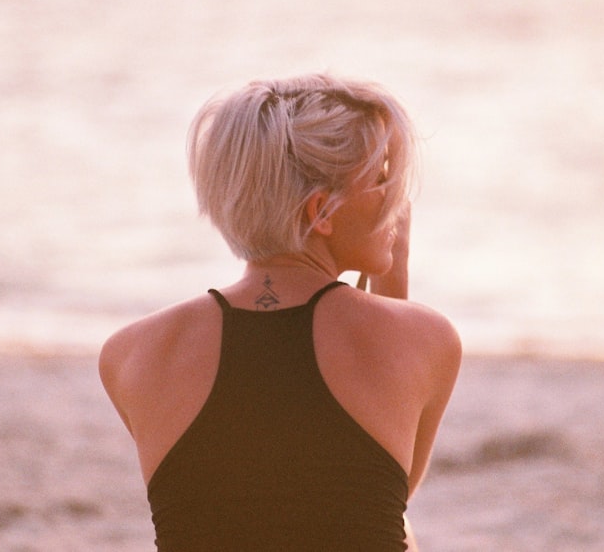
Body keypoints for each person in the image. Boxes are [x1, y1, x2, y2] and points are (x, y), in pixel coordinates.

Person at [99, 73, 461, 551]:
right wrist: (395, 281)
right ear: (320, 212)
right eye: (381, 181)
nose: (399, 202)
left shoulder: (132, 353)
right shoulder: (427, 339)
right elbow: (382, 505)